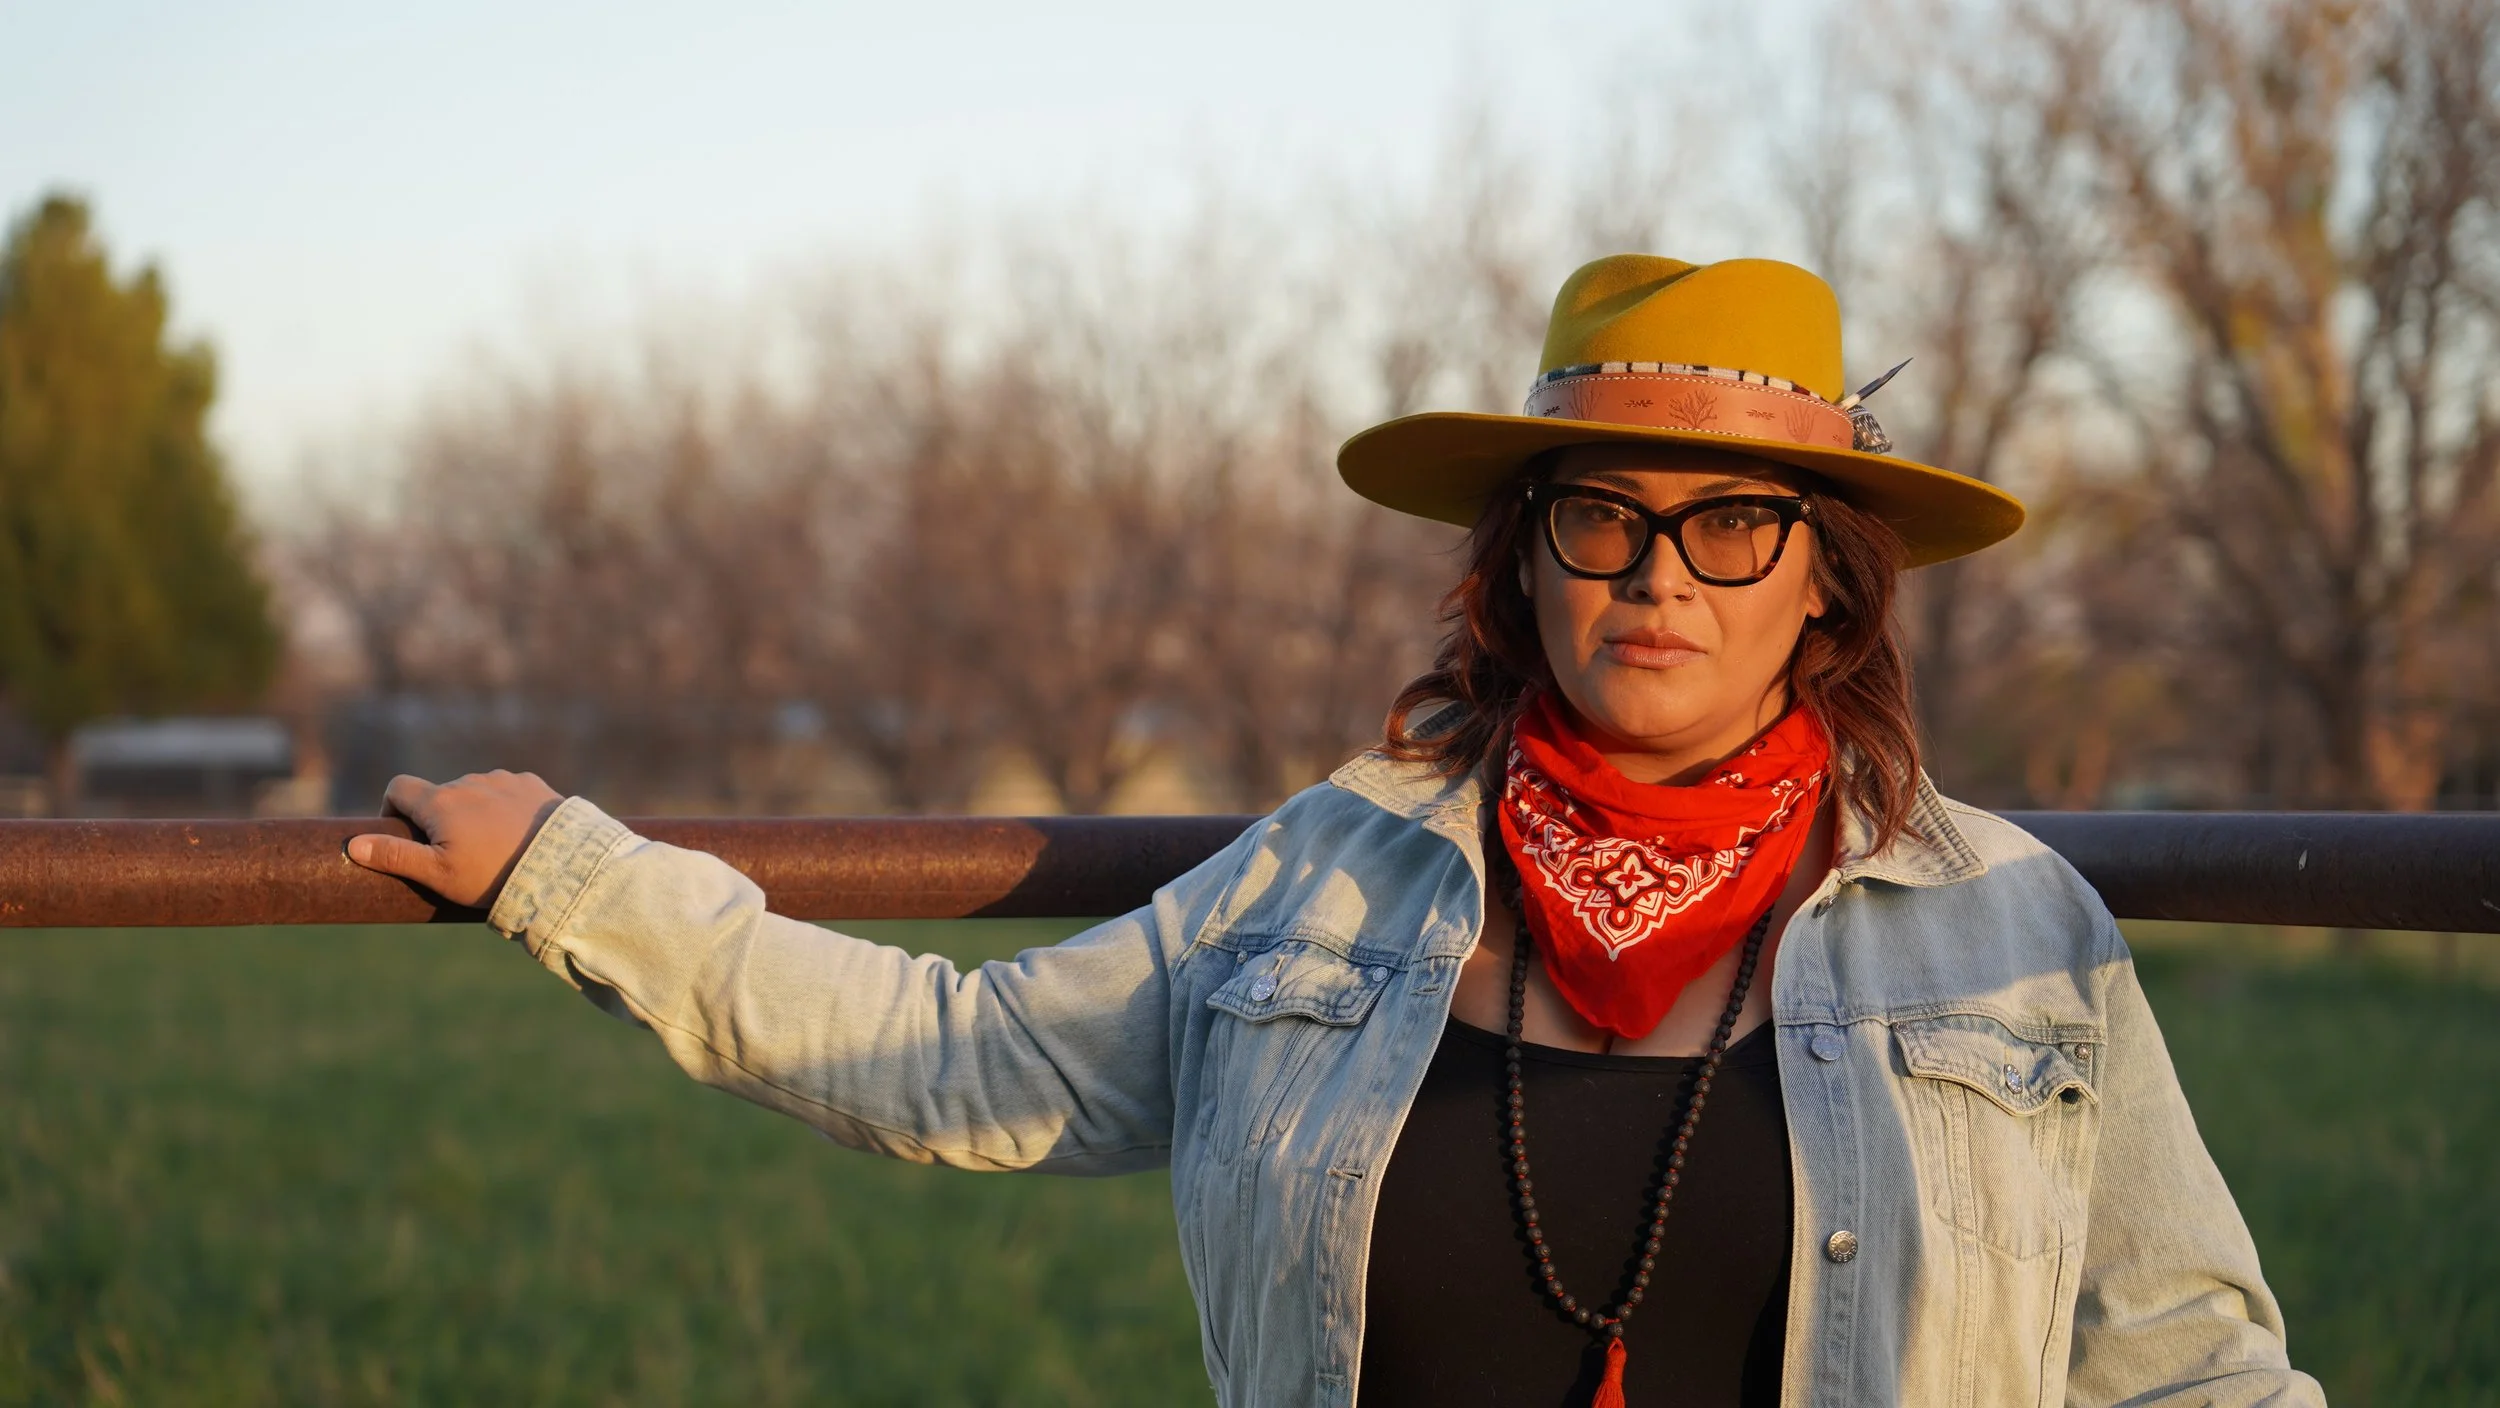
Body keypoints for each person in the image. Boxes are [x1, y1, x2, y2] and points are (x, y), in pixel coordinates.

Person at [349, 255, 2323, 1407]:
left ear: (1822, 580)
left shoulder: (2007, 928)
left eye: (1730, 522)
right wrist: (572, 876)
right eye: (1597, 513)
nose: (1659, 573)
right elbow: (968, 1054)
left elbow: (2183, 1358)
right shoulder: (1324, 873)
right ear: (1524, 557)